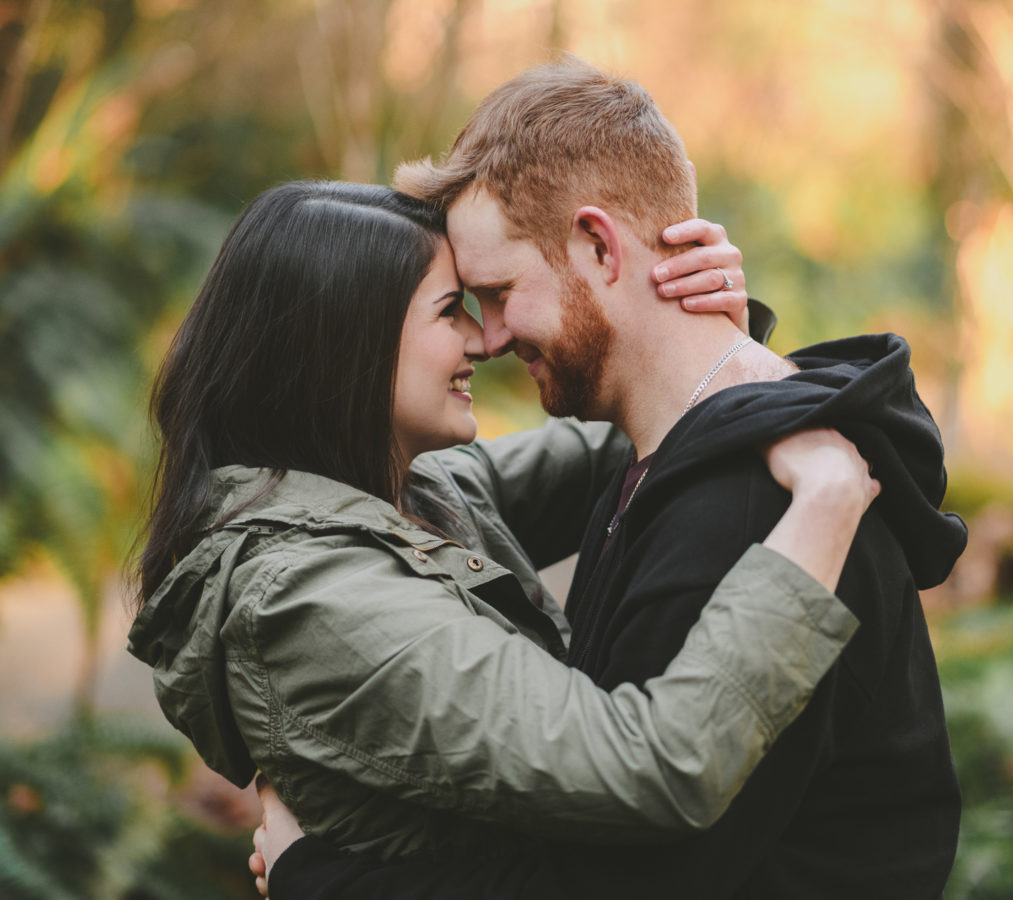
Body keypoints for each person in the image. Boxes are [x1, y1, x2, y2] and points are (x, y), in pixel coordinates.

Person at [255, 59, 968, 899]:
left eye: (496, 292)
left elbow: (621, 879)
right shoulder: (672, 464)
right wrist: (731, 345)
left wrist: (322, 879)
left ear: (598, 244)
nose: (485, 340)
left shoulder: (745, 515)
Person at [126, 180, 885, 862]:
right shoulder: (311, 601)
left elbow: (639, 419)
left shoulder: (412, 495)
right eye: (451, 310)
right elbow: (658, 767)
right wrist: (823, 508)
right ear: (345, 345)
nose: (484, 341)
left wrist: (689, 318)